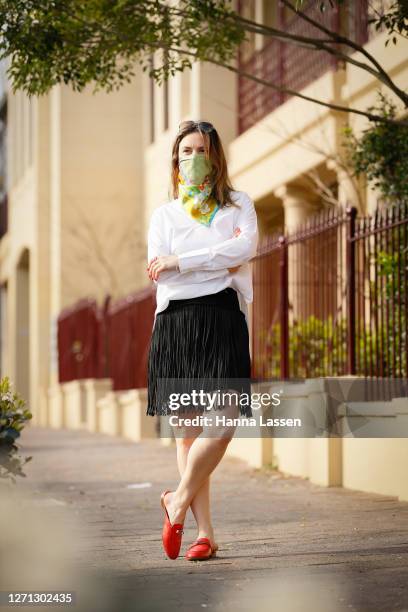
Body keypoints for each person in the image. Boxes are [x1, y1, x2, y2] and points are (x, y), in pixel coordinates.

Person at [146, 119, 259, 561]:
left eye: (202, 149)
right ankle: (204, 534)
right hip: (177, 322)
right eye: (186, 151)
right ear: (176, 162)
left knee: (224, 424)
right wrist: (213, 260)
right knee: (188, 434)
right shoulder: (164, 215)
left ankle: (174, 502)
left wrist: (183, 261)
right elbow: (159, 265)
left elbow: (244, 249)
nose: (194, 158)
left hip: (223, 318)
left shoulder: (238, 206)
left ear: (216, 156)